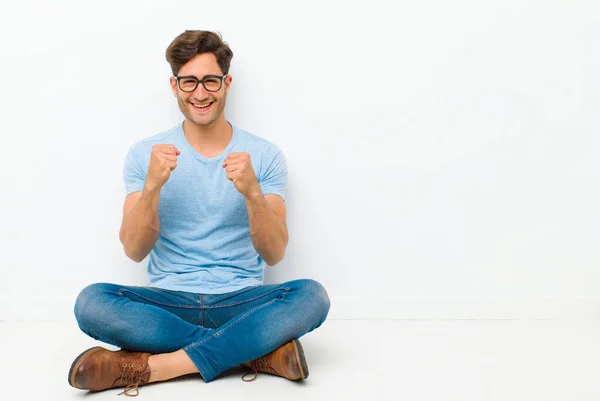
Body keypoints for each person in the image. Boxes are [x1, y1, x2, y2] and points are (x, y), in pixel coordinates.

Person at [68, 30, 331, 397]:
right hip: (168, 305)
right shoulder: (145, 154)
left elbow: (274, 253)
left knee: (313, 296)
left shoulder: (264, 155)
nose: (201, 93)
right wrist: (152, 187)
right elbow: (133, 249)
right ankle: (254, 353)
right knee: (91, 303)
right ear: (174, 85)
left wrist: (253, 193)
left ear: (227, 82)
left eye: (210, 80)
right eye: (189, 81)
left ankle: (156, 367)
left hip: (239, 300)